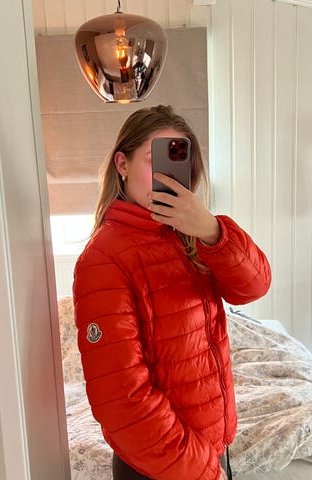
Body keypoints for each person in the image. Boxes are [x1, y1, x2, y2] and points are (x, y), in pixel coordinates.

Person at [73, 105, 271, 480]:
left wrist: (213, 230)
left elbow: (254, 286)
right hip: (161, 465)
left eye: (178, 162)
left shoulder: (189, 237)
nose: (167, 177)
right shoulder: (103, 259)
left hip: (209, 449)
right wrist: (204, 471)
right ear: (122, 164)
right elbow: (125, 402)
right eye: (155, 161)